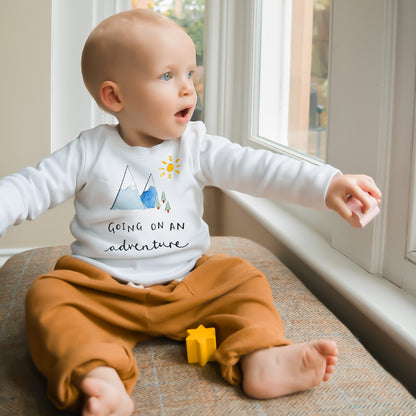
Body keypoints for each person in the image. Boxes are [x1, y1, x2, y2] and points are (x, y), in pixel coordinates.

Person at [0, 9, 381, 416]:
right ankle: (97, 375)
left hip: (189, 284)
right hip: (102, 289)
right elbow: (29, 188)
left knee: (242, 278)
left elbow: (260, 168)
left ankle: (261, 358)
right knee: (47, 295)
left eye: (190, 75)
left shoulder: (196, 146)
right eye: (168, 76)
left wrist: (327, 184)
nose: (187, 90)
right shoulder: (88, 151)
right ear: (114, 97)